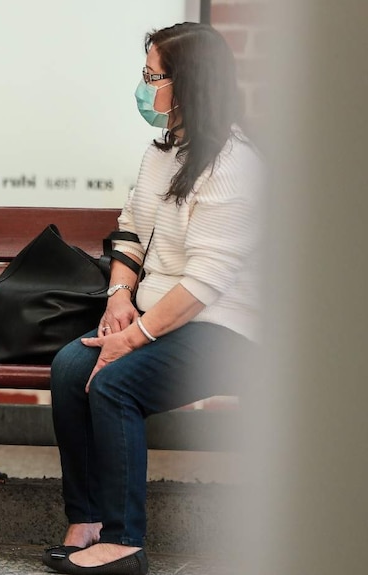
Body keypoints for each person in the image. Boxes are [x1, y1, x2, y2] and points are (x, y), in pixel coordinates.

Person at [44, 22, 263, 575]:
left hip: (225, 330)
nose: (143, 87)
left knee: (115, 384)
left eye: (152, 76)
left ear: (188, 83)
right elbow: (131, 231)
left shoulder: (235, 165)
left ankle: (124, 542)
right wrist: (120, 295)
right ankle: (88, 519)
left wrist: (135, 338)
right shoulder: (162, 151)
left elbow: (206, 281)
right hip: (163, 317)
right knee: (72, 366)